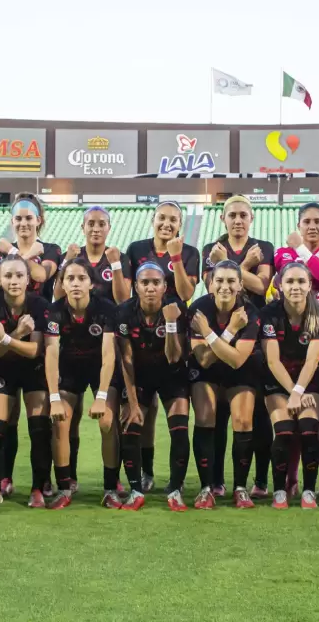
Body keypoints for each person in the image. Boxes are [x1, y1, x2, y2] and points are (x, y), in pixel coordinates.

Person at [201, 195, 275, 500]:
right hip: (220, 334)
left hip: (254, 335)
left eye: (243, 215)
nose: (238, 220)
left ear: (252, 218)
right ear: (223, 219)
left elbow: (261, 286)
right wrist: (244, 266)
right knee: (217, 416)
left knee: (257, 415)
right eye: (232, 215)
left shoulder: (264, 247)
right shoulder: (211, 249)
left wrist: (227, 266)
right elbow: (212, 287)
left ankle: (258, 479)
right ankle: (217, 480)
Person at [125, 200, 200, 493]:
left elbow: (186, 293)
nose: (167, 224)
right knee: (144, 414)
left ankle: (175, 485)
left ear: (180, 224)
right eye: (162, 218)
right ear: (153, 220)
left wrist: (177, 258)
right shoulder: (136, 249)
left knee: (177, 415)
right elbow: (126, 292)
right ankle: (146, 472)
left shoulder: (189, 252)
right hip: (142, 335)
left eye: (173, 220)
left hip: (174, 332)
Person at [54, 206, 130, 495]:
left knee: (109, 421)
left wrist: (117, 266)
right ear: (82, 226)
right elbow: (57, 297)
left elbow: (123, 301)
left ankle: (112, 482)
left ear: (109, 228)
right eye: (91, 223)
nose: (96, 228)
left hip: (105, 348)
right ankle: (67, 480)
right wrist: (66, 264)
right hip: (71, 353)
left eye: (101, 224)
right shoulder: (73, 258)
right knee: (65, 421)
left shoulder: (117, 257)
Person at [273, 202, 319, 500]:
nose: (312, 226)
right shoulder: (283, 253)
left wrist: (311, 253)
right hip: (291, 351)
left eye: (318, 221)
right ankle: (290, 481)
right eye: (306, 221)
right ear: (298, 225)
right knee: (294, 421)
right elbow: (294, 271)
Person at [0, 193, 61, 493]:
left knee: (38, 420)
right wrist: (14, 256)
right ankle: (4, 479)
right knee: (7, 419)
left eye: (29, 217)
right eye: (18, 218)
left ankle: (41, 482)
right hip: (6, 328)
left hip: (38, 330)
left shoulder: (52, 250)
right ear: (12, 221)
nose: (23, 223)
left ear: (39, 220)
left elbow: (42, 274)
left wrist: (17, 256)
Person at [45, 258, 120, 510]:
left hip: (100, 369)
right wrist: (54, 399)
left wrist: (100, 396)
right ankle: (64, 488)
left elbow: (109, 355)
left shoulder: (106, 309)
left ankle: (110, 488)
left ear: (91, 283)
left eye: (81, 278)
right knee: (61, 421)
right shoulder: (54, 311)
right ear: (63, 284)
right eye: (70, 279)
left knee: (107, 421)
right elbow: (51, 354)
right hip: (69, 369)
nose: (76, 283)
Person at [116, 262, 192, 511]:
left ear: (164, 287)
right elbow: (126, 359)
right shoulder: (125, 312)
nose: (150, 288)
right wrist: (134, 404)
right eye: (144, 283)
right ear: (135, 287)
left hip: (172, 375)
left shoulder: (175, 308)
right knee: (131, 424)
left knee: (179, 428)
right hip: (140, 377)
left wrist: (171, 324)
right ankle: (136, 489)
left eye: (155, 283)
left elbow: (173, 357)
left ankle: (175, 489)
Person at [188, 260, 260, 509]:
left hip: (239, 372)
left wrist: (213, 334)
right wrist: (229, 330)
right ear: (210, 284)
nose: (225, 286)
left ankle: (240, 488)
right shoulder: (198, 310)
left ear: (240, 285)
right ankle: (206, 488)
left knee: (243, 420)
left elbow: (237, 361)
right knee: (205, 415)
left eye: (231, 281)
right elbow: (205, 360)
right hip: (206, 372)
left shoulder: (249, 313)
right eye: (219, 280)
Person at [0, 255, 50, 508]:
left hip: (34, 369)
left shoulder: (40, 304)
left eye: (19, 275)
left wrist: (7, 338)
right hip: (2, 369)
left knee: (39, 430)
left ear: (28, 279)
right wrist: (19, 333)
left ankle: (37, 490)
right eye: (8, 275)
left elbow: (34, 351)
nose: (13, 280)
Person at [260, 262, 319, 510]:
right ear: (280, 285)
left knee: (310, 430)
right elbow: (272, 360)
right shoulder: (270, 313)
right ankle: (280, 490)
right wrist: (292, 393)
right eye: (290, 281)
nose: (296, 286)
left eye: (301, 281)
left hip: (308, 381)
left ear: (310, 285)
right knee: (285, 431)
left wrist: (299, 392)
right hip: (278, 382)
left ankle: (309, 491)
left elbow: (312, 360)